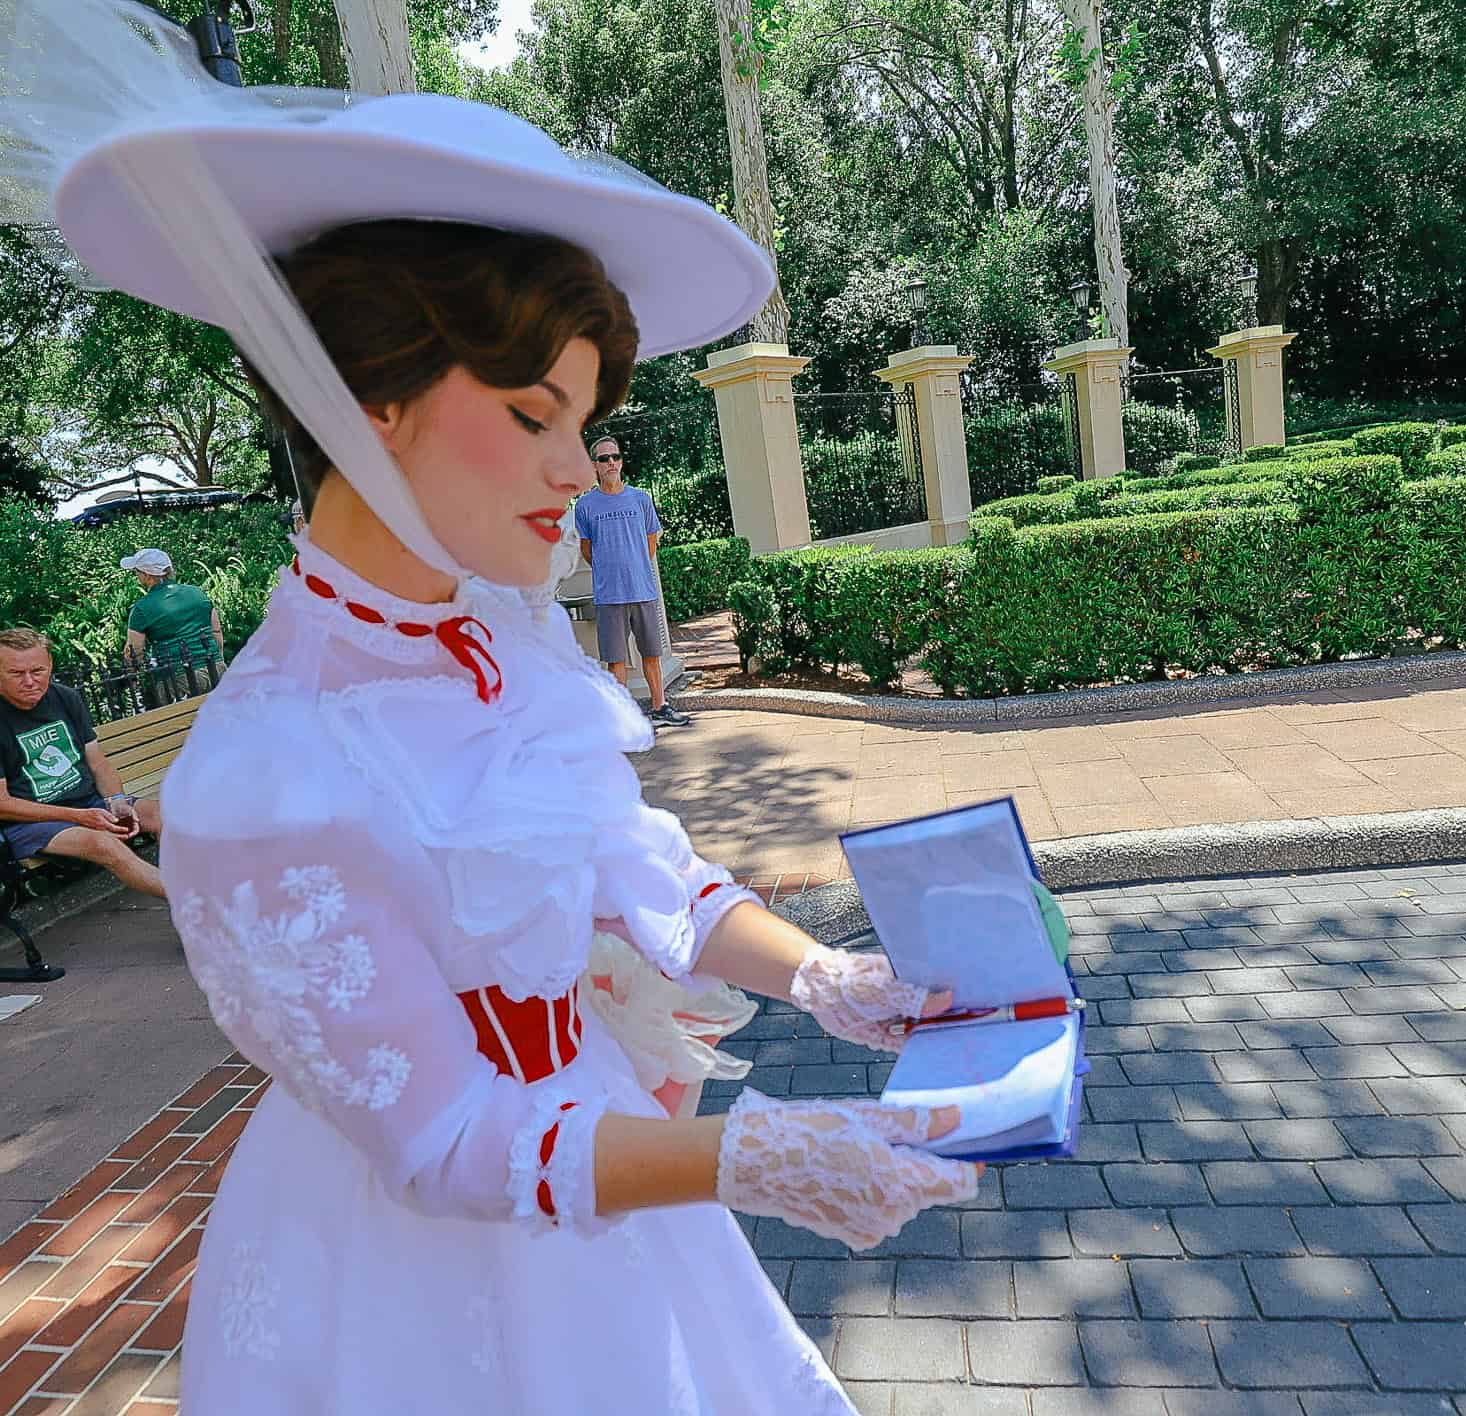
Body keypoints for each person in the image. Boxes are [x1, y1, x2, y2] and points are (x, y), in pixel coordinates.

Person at [0, 4, 977, 1411]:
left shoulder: (502, 646)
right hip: (418, 1276)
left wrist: (823, 978)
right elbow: (450, 1140)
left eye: (581, 422)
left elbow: (637, 871)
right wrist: (748, 1159)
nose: (577, 468)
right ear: (369, 401)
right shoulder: (271, 768)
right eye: (532, 415)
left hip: (617, 1182)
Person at [0, 628, 163, 899]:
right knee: (104, 845)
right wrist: (77, 817)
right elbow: (3, 805)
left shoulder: (65, 697)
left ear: (50, 665)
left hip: (89, 804)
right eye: (16, 674)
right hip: (31, 823)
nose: (29, 681)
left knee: (165, 815)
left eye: (38, 671)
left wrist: (117, 801)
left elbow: (98, 764)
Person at [573, 435, 691, 728]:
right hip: (608, 595)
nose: (610, 462)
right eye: (604, 458)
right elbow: (587, 549)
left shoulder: (641, 499)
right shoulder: (585, 506)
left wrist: (633, 566)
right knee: (615, 660)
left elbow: (651, 543)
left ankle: (660, 707)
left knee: (651, 653)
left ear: (621, 461)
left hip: (642, 590)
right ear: (595, 466)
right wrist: (611, 570)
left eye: (615, 456)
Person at [120, 547, 223, 702]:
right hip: (215, 666)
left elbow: (135, 652)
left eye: (137, 572)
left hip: (178, 678)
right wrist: (217, 657)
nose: (137, 576)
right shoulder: (197, 593)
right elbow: (216, 631)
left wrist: (133, 677)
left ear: (147, 575)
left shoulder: (142, 608)